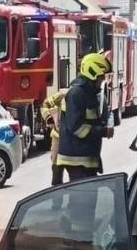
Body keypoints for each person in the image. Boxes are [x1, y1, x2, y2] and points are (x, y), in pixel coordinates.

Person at [55, 53, 110, 181]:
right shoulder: (77, 93)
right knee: (82, 199)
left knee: (88, 198)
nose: (102, 80)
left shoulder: (89, 93)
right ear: (92, 73)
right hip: (77, 159)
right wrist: (103, 131)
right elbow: (77, 127)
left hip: (84, 157)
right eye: (101, 76)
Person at [40, 87, 66, 187]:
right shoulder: (62, 95)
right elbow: (45, 104)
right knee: (56, 169)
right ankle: (56, 195)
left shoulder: (85, 97)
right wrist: (49, 118)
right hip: (58, 137)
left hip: (74, 139)